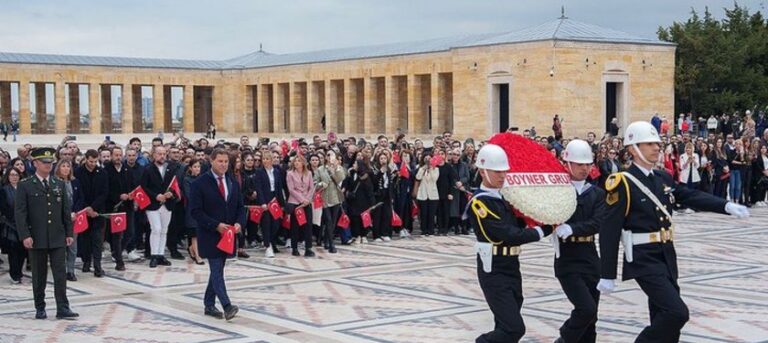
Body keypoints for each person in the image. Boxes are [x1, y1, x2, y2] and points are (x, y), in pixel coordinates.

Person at [598, 121, 749, 342]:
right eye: (649, 144)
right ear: (633, 149)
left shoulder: (663, 178)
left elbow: (689, 196)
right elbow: (609, 231)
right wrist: (607, 273)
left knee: (663, 319)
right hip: (643, 259)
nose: (657, 147)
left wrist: (724, 206)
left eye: (657, 143)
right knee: (677, 313)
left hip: (667, 255)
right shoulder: (622, 183)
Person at [468, 144, 552, 342]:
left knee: (505, 324)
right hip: (494, 269)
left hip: (512, 265)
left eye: (504, 171)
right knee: (514, 328)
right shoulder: (481, 202)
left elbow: (521, 221)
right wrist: (542, 230)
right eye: (497, 171)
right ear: (482, 171)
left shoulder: (505, 198)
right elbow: (507, 234)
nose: (502, 176)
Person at [552, 140, 607, 343]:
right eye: (579, 164)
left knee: (592, 317)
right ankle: (565, 338)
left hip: (590, 258)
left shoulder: (597, 193)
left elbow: (598, 222)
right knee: (586, 308)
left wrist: (573, 228)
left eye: (587, 164)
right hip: (568, 259)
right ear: (567, 164)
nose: (584, 168)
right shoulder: (558, 192)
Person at [15, 147, 78, 320]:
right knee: (39, 274)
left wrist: (69, 232)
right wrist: (25, 235)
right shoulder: (25, 185)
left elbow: (65, 211)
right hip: (36, 237)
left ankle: (63, 307)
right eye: (44, 162)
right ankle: (40, 307)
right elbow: (20, 213)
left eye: (50, 162)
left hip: (57, 236)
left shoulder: (59, 184)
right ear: (35, 163)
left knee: (60, 273)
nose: (48, 165)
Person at [189, 148, 244, 321]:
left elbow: (240, 207)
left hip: (227, 235)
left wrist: (239, 223)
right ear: (211, 161)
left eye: (226, 161)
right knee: (216, 270)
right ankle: (227, 306)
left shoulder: (232, 181)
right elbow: (195, 211)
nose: (223, 165)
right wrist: (215, 225)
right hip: (210, 234)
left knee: (217, 270)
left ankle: (208, 304)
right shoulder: (199, 183)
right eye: (220, 161)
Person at [141, 146, 180, 268]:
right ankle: (153, 255)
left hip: (167, 204)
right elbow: (143, 187)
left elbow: (175, 185)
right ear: (154, 155)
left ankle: (160, 255)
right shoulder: (147, 169)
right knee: (156, 229)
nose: (162, 156)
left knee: (164, 230)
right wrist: (155, 196)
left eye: (164, 154)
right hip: (153, 204)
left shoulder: (171, 168)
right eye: (159, 154)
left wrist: (171, 193)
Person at [74, 149, 108, 278]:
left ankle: (98, 266)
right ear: (86, 159)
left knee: (97, 239)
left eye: (95, 161)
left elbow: (104, 193)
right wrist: (86, 208)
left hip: (97, 211)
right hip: (83, 211)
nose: (93, 164)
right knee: (85, 239)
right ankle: (86, 262)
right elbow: (78, 192)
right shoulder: (78, 172)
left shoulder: (102, 173)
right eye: (90, 161)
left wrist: (93, 208)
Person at [55, 160, 84, 281]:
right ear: (58, 168)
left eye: (68, 166)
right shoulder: (54, 182)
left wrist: (75, 211)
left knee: (73, 245)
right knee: (60, 246)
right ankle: (60, 270)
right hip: (59, 218)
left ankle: (70, 270)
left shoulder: (75, 182)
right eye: (63, 166)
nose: (66, 169)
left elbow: (80, 198)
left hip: (73, 217)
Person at [286, 154, 316, 257]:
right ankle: (294, 248)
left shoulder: (309, 173)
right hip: (295, 202)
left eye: (299, 161)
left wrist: (307, 200)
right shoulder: (290, 174)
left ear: (303, 163)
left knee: (308, 226)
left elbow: (312, 188)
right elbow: (291, 189)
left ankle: (308, 248)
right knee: (295, 226)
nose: (296, 162)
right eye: (295, 161)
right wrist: (302, 200)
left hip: (307, 203)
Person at [1, 167, 25, 283]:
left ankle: (19, 272)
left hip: (23, 224)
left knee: (22, 250)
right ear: (8, 177)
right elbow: (4, 207)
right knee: (13, 250)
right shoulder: (4, 190)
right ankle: (14, 273)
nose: (14, 177)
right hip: (10, 224)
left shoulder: (24, 189)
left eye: (16, 175)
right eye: (12, 175)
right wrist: (14, 217)